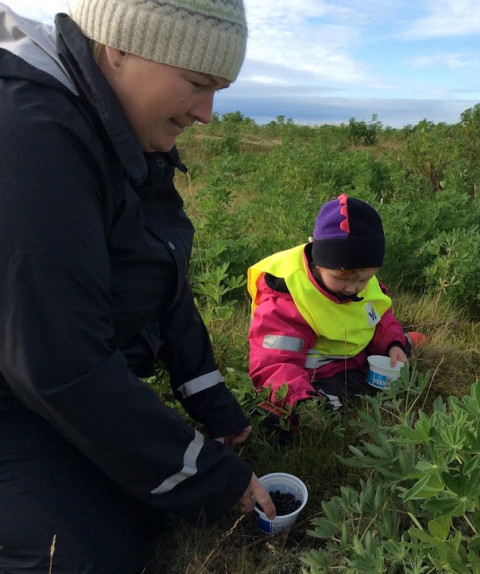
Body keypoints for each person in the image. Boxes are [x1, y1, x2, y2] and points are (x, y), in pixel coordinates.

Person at [0, 1, 276, 572]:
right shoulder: (30, 136)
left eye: (218, 89)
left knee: (146, 501)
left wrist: (214, 407)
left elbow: (159, 278)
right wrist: (212, 478)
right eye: (198, 84)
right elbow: (61, 362)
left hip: (39, 375)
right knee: (80, 556)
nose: (207, 114)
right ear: (120, 47)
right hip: (21, 385)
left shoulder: (118, 130)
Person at [247, 194, 418, 418]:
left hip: (356, 357)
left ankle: (404, 342)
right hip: (315, 373)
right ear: (319, 265)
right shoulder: (288, 296)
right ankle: (296, 409)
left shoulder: (361, 279)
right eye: (342, 279)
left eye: (363, 280)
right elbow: (276, 363)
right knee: (323, 402)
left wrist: (392, 343)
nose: (353, 288)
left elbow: (379, 316)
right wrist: (301, 399)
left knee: (397, 344)